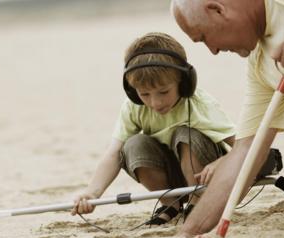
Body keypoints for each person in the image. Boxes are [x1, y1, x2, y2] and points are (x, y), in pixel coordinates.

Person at [171, 0, 284, 238]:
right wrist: (188, 233)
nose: (213, 50)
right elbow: (246, 153)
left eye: (204, 37)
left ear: (218, 9)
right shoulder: (260, 66)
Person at [71, 32, 236, 225]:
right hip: (172, 174)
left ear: (184, 82)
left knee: (185, 134)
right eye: (144, 94)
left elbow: (246, 145)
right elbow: (114, 153)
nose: (155, 103)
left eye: (164, 92)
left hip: (208, 177)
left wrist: (221, 163)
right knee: (133, 144)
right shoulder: (134, 107)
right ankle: (170, 204)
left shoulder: (200, 105)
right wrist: (93, 192)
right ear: (132, 91)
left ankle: (197, 202)